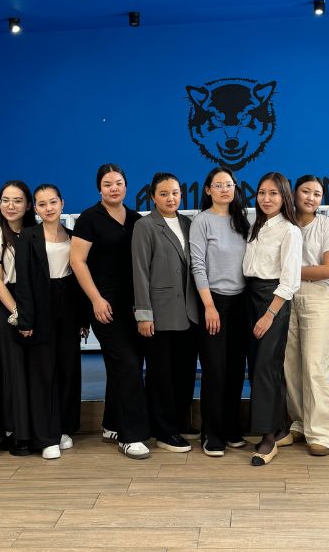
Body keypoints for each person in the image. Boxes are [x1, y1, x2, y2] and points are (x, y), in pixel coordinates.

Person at [70, 164, 151, 459]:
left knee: (129, 364)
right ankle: (131, 436)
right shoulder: (89, 219)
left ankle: (112, 424)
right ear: (99, 189)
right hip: (104, 303)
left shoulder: (136, 219)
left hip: (134, 304)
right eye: (107, 184)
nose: (113, 188)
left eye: (118, 183)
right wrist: (95, 299)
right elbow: (77, 262)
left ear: (126, 186)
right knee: (126, 363)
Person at [132, 172, 199, 453]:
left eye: (174, 193)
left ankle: (180, 422)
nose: (170, 198)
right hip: (159, 313)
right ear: (152, 197)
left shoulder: (188, 223)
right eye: (163, 194)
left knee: (185, 371)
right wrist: (144, 314)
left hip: (189, 312)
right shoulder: (144, 226)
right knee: (161, 375)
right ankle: (164, 430)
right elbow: (140, 271)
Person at [16, 184, 83, 459]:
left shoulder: (73, 236)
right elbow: (23, 280)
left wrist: (82, 318)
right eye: (42, 204)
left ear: (62, 203)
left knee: (68, 369)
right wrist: (25, 320)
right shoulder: (28, 236)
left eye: (53, 202)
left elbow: (79, 279)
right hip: (40, 307)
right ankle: (46, 437)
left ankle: (64, 428)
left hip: (68, 307)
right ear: (35, 208)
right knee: (44, 372)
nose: (48, 208)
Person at [189, 166, 250, 457]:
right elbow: (197, 265)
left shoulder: (243, 220)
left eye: (229, 185)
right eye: (218, 185)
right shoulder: (202, 221)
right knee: (215, 370)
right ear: (208, 190)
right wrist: (209, 306)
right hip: (213, 301)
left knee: (236, 369)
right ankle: (211, 434)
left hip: (241, 302)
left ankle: (231, 428)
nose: (224, 190)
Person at [243, 172, 302, 466]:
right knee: (260, 366)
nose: (266, 199)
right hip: (249, 296)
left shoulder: (289, 231)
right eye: (262, 193)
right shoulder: (256, 226)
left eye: (273, 193)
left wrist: (269, 314)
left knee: (266, 366)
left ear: (284, 197)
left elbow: (290, 281)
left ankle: (267, 438)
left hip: (273, 299)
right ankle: (280, 426)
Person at [281, 175, 329, 456]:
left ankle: (322, 432)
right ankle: (300, 422)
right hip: (285, 296)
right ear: (294, 193)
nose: (311, 198)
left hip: (316, 296)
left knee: (316, 364)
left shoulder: (327, 225)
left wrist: (288, 271)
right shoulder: (285, 224)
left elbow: (328, 269)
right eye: (306, 191)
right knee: (290, 364)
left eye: (317, 194)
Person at [0, 181, 35, 456]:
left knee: (34, 372)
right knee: (13, 372)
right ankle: (15, 432)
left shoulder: (37, 233)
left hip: (36, 304)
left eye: (17, 200)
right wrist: (18, 313)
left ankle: (37, 429)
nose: (11, 206)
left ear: (28, 205)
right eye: (5, 200)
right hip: (9, 307)